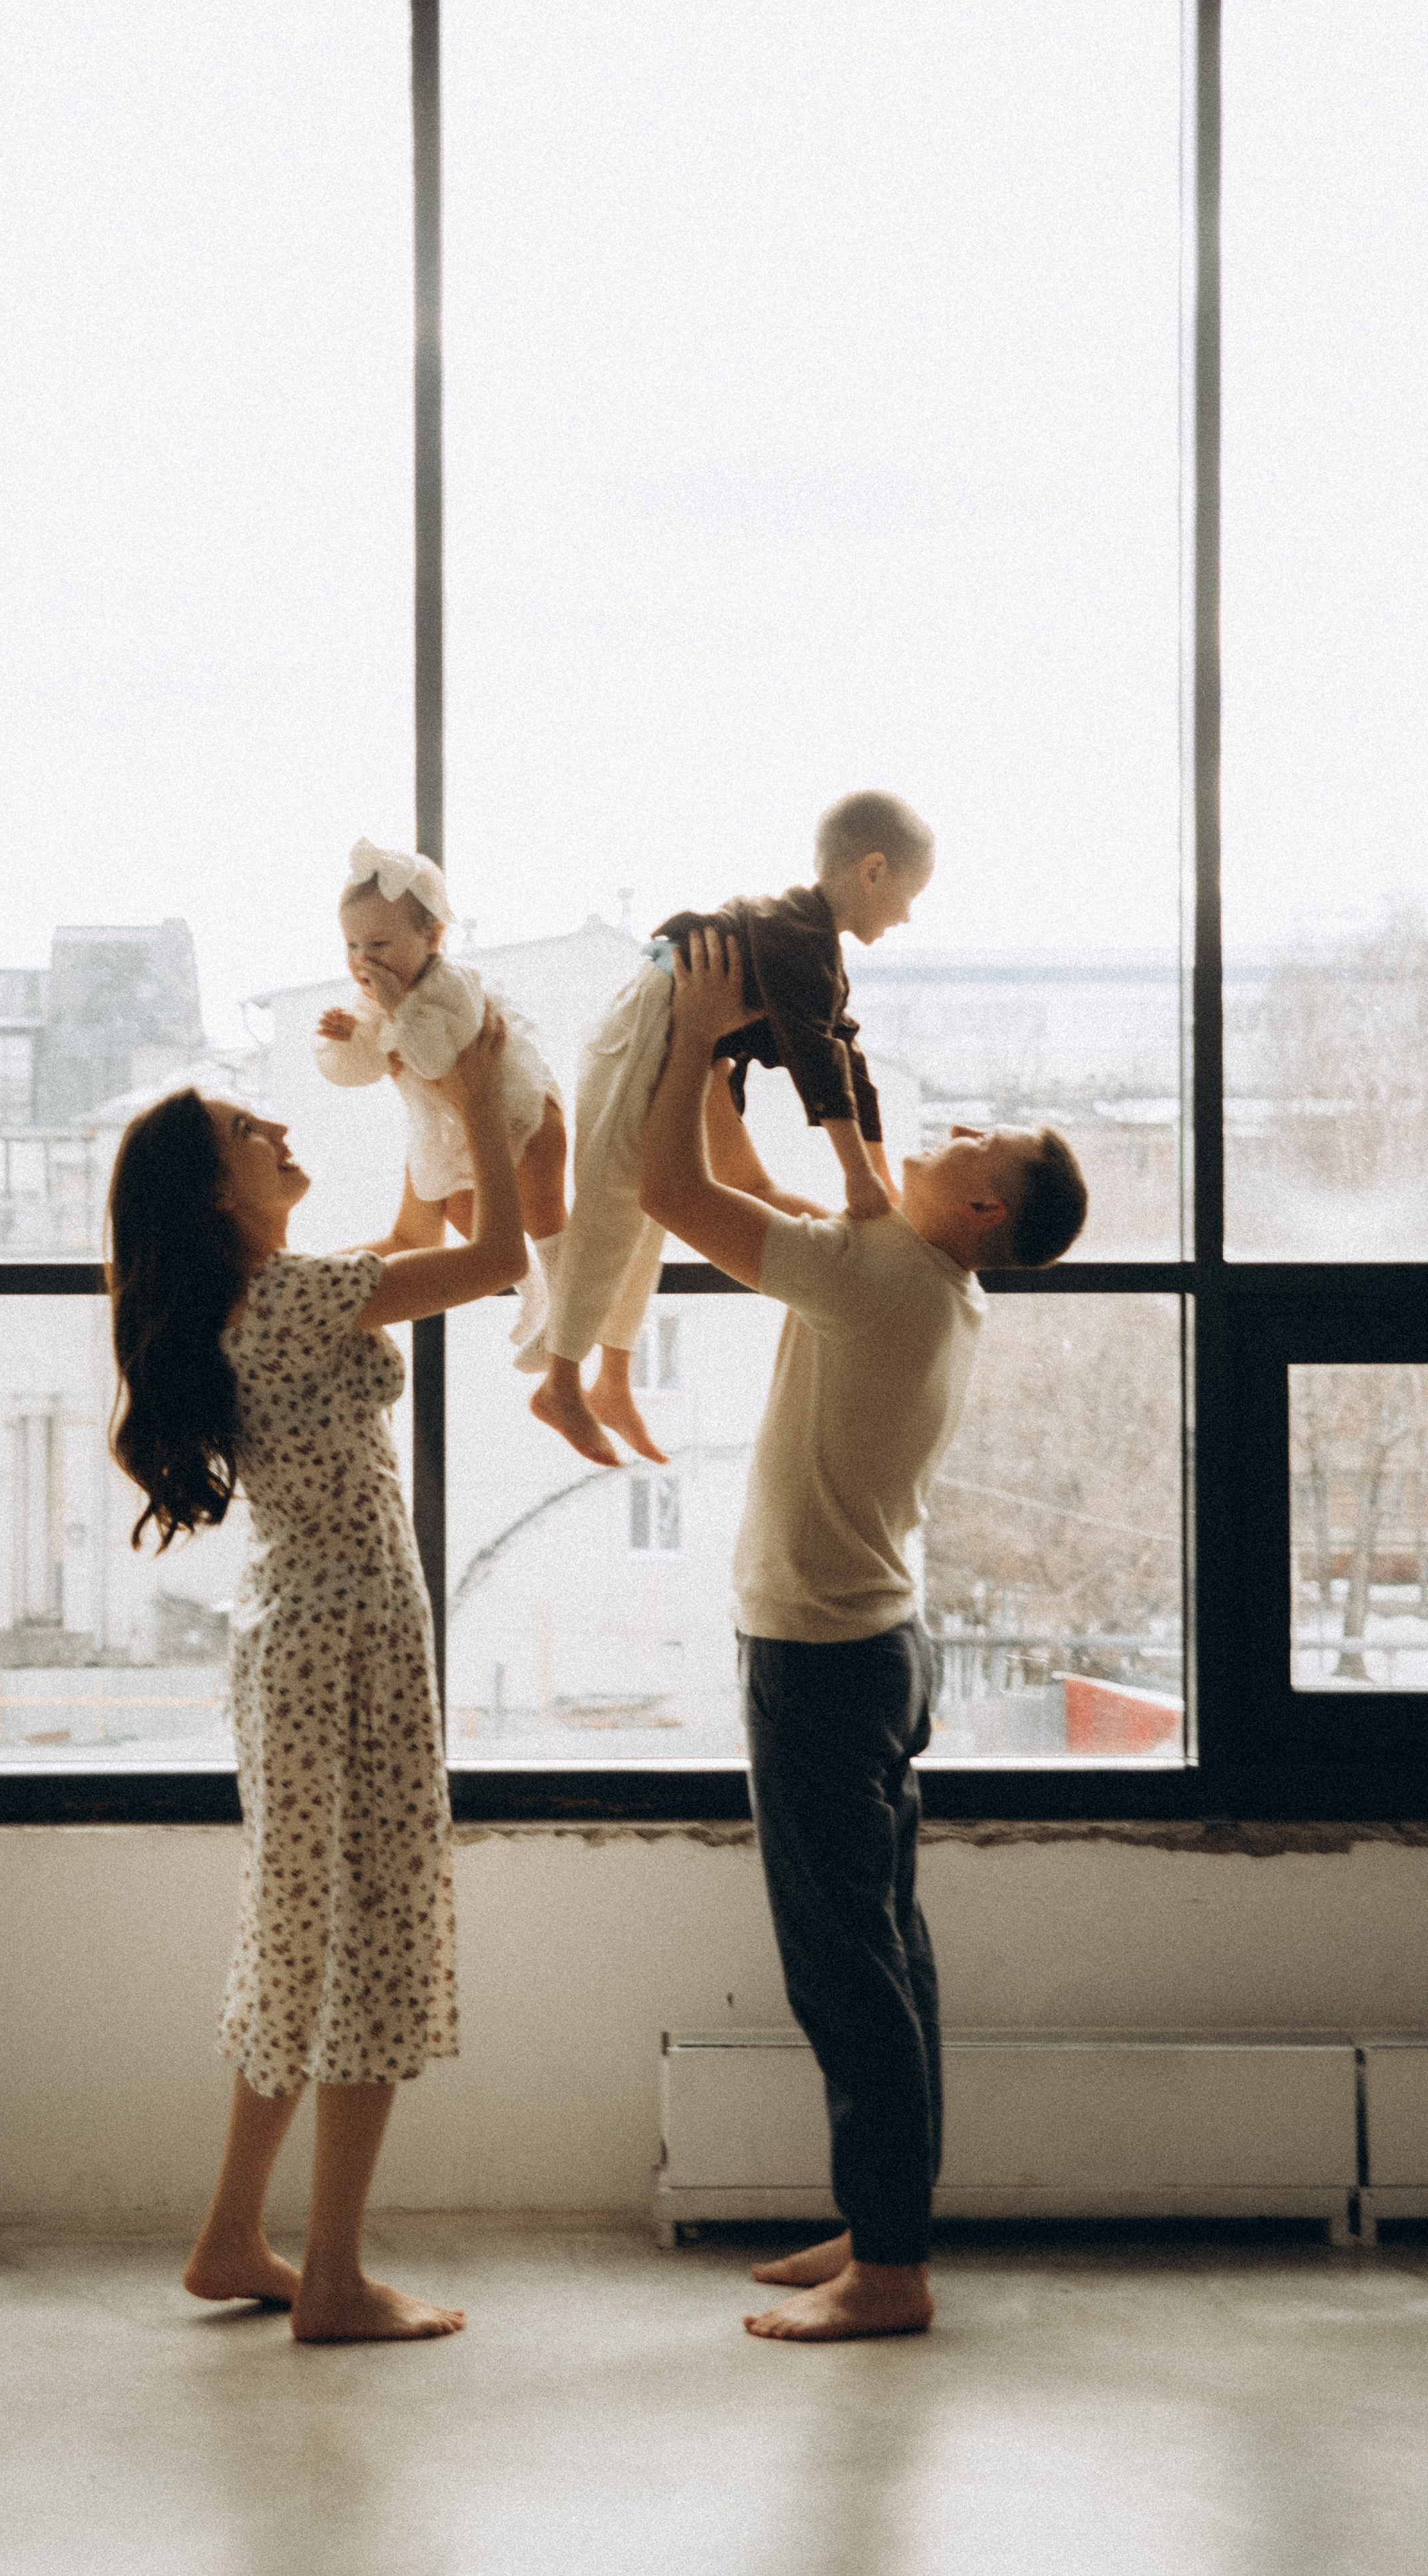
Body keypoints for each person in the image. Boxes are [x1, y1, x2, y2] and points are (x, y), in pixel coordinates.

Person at [640, 928, 1088, 2343]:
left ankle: (888, 2269)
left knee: (844, 1963)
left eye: (980, 1145)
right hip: (873, 1650)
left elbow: (667, 1193)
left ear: (978, 1219)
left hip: (823, 1662)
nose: (949, 1131)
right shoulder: (908, 1273)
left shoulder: (887, 1279)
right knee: (886, 1947)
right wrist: (721, 1058)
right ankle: (880, 2223)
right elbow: (759, 1190)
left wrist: (677, 1040)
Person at [105, 1009, 526, 2342]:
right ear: (212, 1195)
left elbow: (409, 1232)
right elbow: (497, 1255)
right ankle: (333, 2281)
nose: (281, 1129)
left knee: (302, 1938)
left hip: (303, 1638)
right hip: (344, 1643)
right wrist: (479, 1087)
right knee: (367, 1947)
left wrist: (423, 1089)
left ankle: (235, 2238)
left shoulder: (269, 1293)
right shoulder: (286, 1301)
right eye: (248, 1130)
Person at [528, 789, 934, 1471]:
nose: (906, 915)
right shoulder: (798, 938)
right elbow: (815, 1061)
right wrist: (857, 1177)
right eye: (908, 894)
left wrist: (877, 1169)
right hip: (644, 1023)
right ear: (872, 872)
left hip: (670, 1029)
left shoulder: (815, 951)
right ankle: (560, 1381)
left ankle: (612, 1379)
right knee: (608, 1209)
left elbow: (845, 1059)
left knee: (644, 1219)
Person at [316, 839, 569, 1364]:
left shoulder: (451, 985)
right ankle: (535, 1296)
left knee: (543, 1212)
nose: (364, 961)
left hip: (520, 1119)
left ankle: (566, 1309)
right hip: (456, 1129)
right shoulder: (372, 1000)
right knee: (464, 1212)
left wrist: (395, 1008)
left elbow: (434, 1061)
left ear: (432, 937)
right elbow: (364, 1071)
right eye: (352, 947)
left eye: (379, 945)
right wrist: (348, 1042)